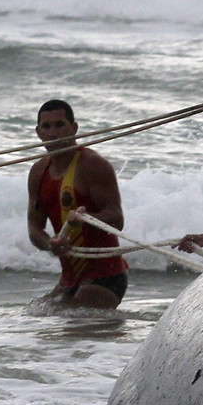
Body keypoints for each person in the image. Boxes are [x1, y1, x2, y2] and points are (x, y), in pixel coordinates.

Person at [26, 99, 129, 309]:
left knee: (73, 329)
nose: (53, 133)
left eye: (59, 125)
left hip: (106, 276)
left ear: (73, 129)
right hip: (69, 280)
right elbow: (34, 228)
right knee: (31, 317)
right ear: (38, 132)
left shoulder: (92, 165)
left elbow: (117, 219)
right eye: (46, 126)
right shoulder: (38, 172)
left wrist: (86, 220)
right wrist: (50, 244)